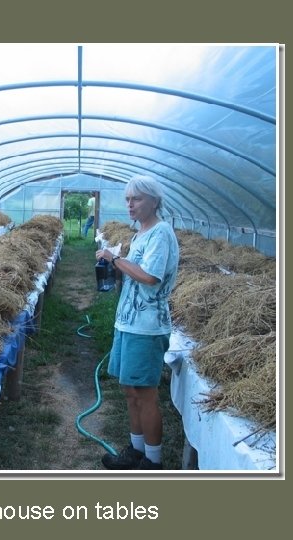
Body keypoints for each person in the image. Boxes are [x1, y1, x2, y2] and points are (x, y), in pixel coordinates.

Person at [95, 175, 179, 470]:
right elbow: (135, 275)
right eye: (128, 199)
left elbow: (150, 277)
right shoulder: (140, 232)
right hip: (128, 323)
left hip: (147, 327)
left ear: (154, 201)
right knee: (130, 391)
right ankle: (136, 451)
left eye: (137, 199)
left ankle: (153, 463)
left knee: (145, 395)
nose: (130, 205)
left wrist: (115, 260)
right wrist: (114, 265)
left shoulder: (161, 233)